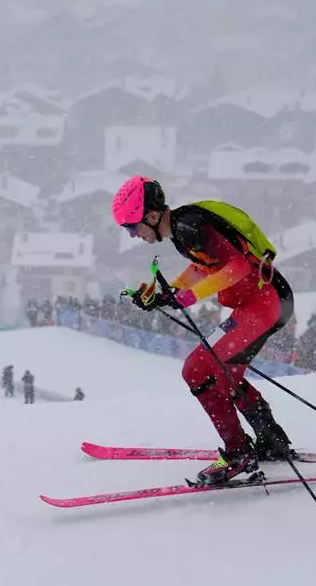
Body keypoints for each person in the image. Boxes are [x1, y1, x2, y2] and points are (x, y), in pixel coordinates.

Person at [113, 175, 295, 485]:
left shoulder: (189, 227)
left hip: (263, 304)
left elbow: (238, 267)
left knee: (196, 369)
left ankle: (238, 453)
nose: (133, 235)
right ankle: (271, 441)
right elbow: (205, 266)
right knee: (226, 374)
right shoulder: (184, 228)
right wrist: (169, 291)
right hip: (268, 300)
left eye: (133, 227)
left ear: (153, 216)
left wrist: (187, 296)